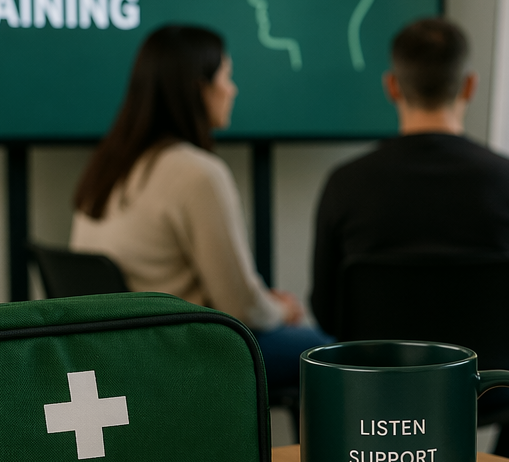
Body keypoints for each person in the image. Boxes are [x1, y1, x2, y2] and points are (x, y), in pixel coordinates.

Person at [311, 18, 509, 462]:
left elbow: (327, 315)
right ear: (470, 86)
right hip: (489, 382)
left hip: (381, 385)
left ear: (392, 86)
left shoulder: (346, 184)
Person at [71, 25, 328, 391]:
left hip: (124, 349)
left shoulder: (109, 165)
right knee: (330, 355)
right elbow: (240, 309)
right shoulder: (198, 173)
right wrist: (282, 310)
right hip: (185, 351)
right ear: (198, 88)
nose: (232, 88)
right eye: (226, 75)